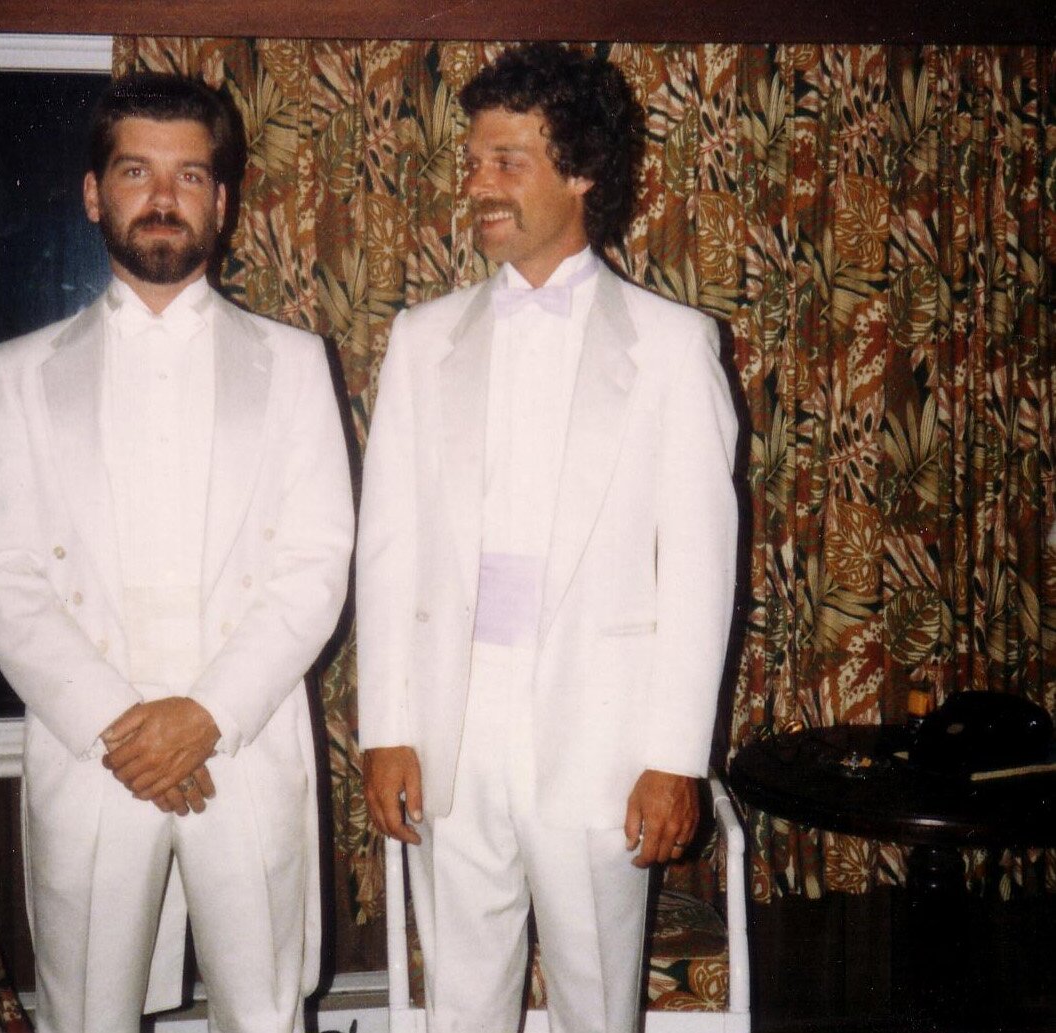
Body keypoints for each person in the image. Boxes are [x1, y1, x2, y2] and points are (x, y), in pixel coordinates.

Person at [0, 72, 353, 1033]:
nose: (164, 197)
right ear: (95, 194)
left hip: (243, 745)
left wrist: (206, 715)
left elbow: (317, 564)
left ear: (223, 201)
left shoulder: (296, 363)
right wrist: (119, 725)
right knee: (86, 1014)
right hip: (95, 751)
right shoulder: (22, 373)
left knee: (263, 1014)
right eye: (137, 172)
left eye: (190, 175)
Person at [357, 43, 739, 1033]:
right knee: (461, 1004)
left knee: (597, 1002)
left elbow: (700, 569)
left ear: (581, 173)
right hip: (452, 724)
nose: (478, 186)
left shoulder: (672, 346)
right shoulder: (421, 340)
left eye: (507, 161)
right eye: (472, 162)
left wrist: (675, 755)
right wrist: (385, 727)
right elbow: (387, 550)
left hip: (601, 733)